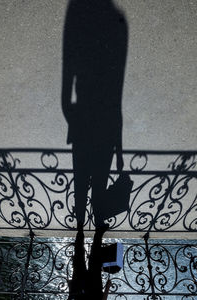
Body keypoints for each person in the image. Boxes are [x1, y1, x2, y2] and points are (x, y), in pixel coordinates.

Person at [62, 0, 128, 226]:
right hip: (106, 127)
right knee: (99, 181)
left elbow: (66, 86)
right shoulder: (116, 24)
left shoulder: (81, 21)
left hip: (84, 124)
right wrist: (119, 149)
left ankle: (80, 224)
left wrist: (74, 119)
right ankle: (97, 222)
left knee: (81, 180)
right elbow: (116, 99)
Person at [68, 223, 111, 299]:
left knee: (92, 257)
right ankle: (81, 230)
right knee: (82, 256)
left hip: (89, 289)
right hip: (85, 289)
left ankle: (97, 233)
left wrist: (107, 288)